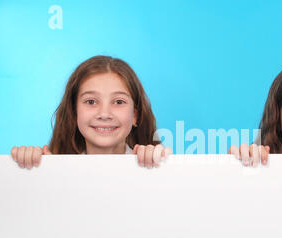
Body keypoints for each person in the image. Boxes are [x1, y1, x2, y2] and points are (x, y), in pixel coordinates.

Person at [11, 55, 171, 169]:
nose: (104, 113)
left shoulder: (151, 162)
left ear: (135, 115)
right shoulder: (56, 170)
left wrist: (161, 163)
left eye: (118, 102)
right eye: (91, 102)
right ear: (74, 113)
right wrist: (32, 166)